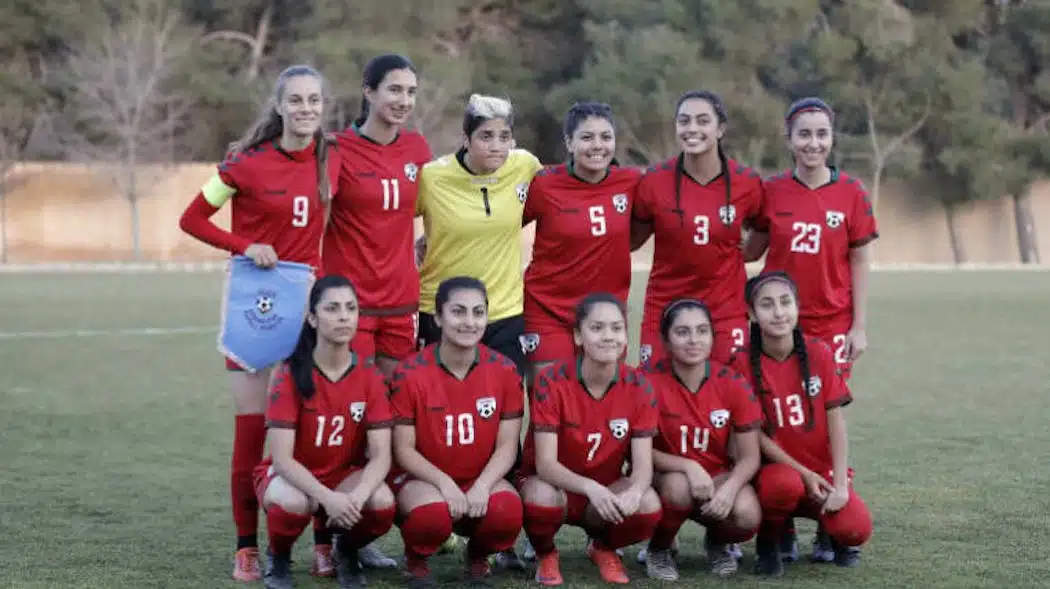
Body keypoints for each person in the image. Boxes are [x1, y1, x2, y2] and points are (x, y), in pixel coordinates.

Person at [177, 65, 337, 582]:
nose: (306, 109)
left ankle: (323, 542)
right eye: (296, 100)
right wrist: (245, 245)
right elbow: (192, 219)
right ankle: (246, 547)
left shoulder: (332, 159)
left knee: (312, 437)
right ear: (280, 105)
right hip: (254, 309)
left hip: (309, 312)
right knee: (252, 433)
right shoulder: (242, 166)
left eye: (314, 100)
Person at [744, 97, 878, 562]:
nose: (813, 143)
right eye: (804, 134)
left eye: (822, 134)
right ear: (789, 139)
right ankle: (779, 524)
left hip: (831, 325)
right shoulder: (772, 191)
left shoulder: (852, 193)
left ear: (832, 138)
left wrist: (859, 326)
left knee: (822, 423)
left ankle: (828, 519)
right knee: (776, 420)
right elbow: (749, 251)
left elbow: (860, 259)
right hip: (777, 325)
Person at [254, 275, 396, 589]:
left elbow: (382, 457)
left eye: (351, 308)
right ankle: (278, 555)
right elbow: (282, 459)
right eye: (332, 308)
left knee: (382, 502)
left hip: (343, 475)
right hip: (291, 476)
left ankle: (346, 550)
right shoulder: (289, 374)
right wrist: (327, 498)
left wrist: (355, 497)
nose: (344, 316)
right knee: (290, 504)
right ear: (313, 318)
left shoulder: (369, 375)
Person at [730, 272, 872, 577]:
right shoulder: (741, 362)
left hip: (820, 471)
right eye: (767, 305)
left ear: (797, 306)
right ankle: (771, 539)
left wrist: (841, 485)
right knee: (781, 486)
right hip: (778, 473)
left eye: (785, 302)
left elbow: (837, 424)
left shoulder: (818, 352)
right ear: (752, 314)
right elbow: (752, 435)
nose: (779, 312)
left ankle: (830, 530)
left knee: (856, 529)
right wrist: (804, 474)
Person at [389, 277, 526, 588]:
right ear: (438, 318)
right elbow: (403, 449)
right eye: (458, 312)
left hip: (478, 476)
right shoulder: (409, 373)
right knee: (431, 515)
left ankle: (478, 558)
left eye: (478, 312)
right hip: (423, 480)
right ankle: (416, 560)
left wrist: (483, 485)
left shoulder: (505, 371)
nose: (469, 321)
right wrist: (444, 483)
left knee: (507, 511)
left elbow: (507, 445)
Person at [518, 293, 663, 586]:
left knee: (647, 504)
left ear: (626, 335)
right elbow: (545, 464)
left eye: (616, 328)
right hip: (555, 486)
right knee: (540, 497)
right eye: (597, 328)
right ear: (578, 336)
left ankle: (603, 547)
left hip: (603, 492)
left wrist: (634, 491)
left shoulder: (639, 385)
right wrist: (590, 488)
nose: (608, 337)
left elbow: (643, 466)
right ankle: (546, 552)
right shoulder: (551, 381)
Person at [631, 90, 765, 368]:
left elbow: (764, 228)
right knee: (654, 395)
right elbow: (632, 240)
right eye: (684, 121)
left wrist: (743, 256)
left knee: (732, 396)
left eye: (703, 121)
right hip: (665, 306)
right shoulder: (654, 181)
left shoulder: (747, 182)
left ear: (721, 129)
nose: (692, 128)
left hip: (725, 309)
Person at [415, 93, 543, 376]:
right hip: (441, 311)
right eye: (486, 136)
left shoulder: (524, 166)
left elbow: (558, 199)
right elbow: (391, 219)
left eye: (504, 136)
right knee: (438, 404)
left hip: (504, 312)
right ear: (466, 138)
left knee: (503, 404)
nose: (497, 146)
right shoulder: (433, 177)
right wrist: (412, 247)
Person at [323, 53, 433, 378]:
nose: (404, 100)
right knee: (353, 404)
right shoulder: (336, 148)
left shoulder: (418, 148)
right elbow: (314, 218)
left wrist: (431, 237)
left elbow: (435, 206)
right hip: (349, 303)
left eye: (411, 92)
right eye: (395, 90)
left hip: (402, 300)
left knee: (398, 408)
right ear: (369, 92)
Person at [641, 298, 763, 581]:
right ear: (666, 340)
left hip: (717, 476)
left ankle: (718, 542)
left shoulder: (731, 382)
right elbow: (637, 451)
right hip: (662, 478)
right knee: (677, 486)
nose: (693, 340)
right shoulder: (646, 381)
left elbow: (749, 456)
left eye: (702, 331)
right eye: (682, 332)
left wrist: (730, 488)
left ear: (712, 336)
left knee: (747, 515)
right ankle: (659, 549)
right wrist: (687, 465)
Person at [522, 102, 642, 377]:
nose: (597, 145)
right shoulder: (544, 183)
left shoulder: (631, 183)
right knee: (549, 397)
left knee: (602, 402)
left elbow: (646, 226)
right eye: (587, 137)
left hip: (607, 313)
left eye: (606, 137)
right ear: (569, 142)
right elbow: (503, 226)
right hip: (548, 310)